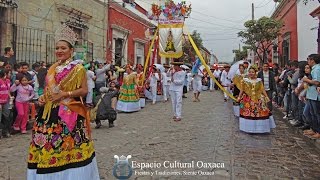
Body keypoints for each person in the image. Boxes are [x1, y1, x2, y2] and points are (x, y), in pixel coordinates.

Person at [27, 24, 100, 179]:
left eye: (63, 48)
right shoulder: (53, 68)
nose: (59, 51)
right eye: (57, 48)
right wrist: (43, 97)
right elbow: (49, 89)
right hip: (48, 112)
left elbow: (84, 90)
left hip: (68, 111)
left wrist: (65, 94)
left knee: (69, 146)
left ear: (71, 50)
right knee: (45, 143)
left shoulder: (78, 68)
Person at [237, 65, 276, 133]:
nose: (251, 73)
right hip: (247, 100)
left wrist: (266, 96)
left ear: (255, 73)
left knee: (260, 113)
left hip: (258, 99)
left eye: (252, 72)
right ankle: (249, 128)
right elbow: (242, 90)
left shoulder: (259, 81)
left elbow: (262, 89)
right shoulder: (244, 80)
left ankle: (259, 129)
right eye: (250, 72)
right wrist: (239, 97)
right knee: (249, 114)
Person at [302, 54, 320, 138]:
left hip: (315, 95)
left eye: (309, 60)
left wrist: (306, 80)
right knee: (312, 113)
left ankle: (318, 131)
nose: (308, 61)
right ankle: (314, 129)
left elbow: (317, 82)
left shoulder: (316, 69)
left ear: (312, 60)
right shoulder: (314, 69)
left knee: (316, 114)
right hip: (311, 94)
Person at [0, 68, 12, 138]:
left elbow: (8, 90)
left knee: (7, 116)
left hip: (6, 100)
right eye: (9, 73)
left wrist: (10, 97)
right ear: (5, 74)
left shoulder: (8, 81)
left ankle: (6, 131)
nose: (10, 75)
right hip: (0, 102)